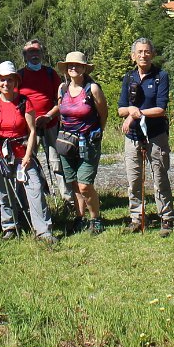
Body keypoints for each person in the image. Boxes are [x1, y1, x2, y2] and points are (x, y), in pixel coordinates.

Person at [0, 61, 56, 244]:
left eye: (9, 80)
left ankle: (43, 231)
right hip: (0, 153)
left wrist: (28, 156)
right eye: (2, 80)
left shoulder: (24, 102)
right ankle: (9, 227)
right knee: (4, 191)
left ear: (15, 82)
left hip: (22, 151)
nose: (5, 83)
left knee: (35, 188)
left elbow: (31, 131)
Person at [117, 37, 174, 236]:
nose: (143, 55)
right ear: (133, 56)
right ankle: (137, 217)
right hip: (132, 136)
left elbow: (161, 109)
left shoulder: (161, 76)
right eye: (139, 52)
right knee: (133, 179)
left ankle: (166, 218)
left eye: (147, 51)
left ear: (153, 54)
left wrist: (136, 114)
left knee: (160, 178)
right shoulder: (129, 77)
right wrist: (132, 110)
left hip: (156, 135)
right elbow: (120, 109)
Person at [54, 51, 108, 234]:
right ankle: (80, 217)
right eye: (70, 65)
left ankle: (95, 218)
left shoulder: (92, 89)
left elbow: (103, 114)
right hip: (67, 142)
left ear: (84, 68)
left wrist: (97, 133)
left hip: (88, 142)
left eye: (77, 65)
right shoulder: (62, 88)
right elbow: (60, 110)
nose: (73, 68)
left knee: (85, 184)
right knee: (74, 183)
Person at [16, 38, 62, 159]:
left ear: (41, 54)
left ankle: (60, 179)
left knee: (56, 161)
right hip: (28, 126)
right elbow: (13, 102)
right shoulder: (18, 76)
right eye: (31, 51)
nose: (35, 55)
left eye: (37, 51)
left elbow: (62, 101)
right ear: (25, 56)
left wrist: (48, 116)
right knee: (28, 159)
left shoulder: (51, 74)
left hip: (50, 124)